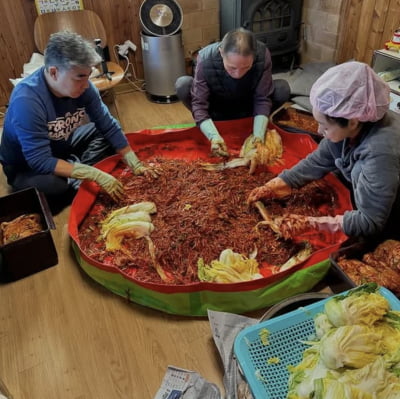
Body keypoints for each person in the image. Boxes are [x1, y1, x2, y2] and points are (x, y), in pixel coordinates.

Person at [0, 31, 157, 212]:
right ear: (54, 72)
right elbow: (39, 160)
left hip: (60, 144)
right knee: (56, 188)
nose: (86, 84)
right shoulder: (26, 100)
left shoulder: (85, 87)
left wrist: (134, 162)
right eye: (79, 77)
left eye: (88, 75)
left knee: (107, 133)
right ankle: (78, 174)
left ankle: (76, 170)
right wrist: (93, 174)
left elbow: (107, 124)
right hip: (25, 165)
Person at [248, 61, 400, 238]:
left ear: (352, 122)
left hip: (390, 208)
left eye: (325, 127)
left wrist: (312, 223)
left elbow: (370, 221)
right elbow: (320, 159)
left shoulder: (379, 152)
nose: (319, 131)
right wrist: (278, 184)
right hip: (374, 186)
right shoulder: (354, 120)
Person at [175, 28, 290, 158]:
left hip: (247, 108)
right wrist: (213, 137)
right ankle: (208, 125)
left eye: (246, 67)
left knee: (282, 89)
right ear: (221, 53)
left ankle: (252, 123)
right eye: (232, 67)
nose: (238, 74)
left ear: (254, 55)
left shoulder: (263, 55)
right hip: (216, 109)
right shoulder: (205, 57)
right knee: (183, 85)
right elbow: (199, 103)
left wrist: (258, 137)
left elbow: (262, 98)